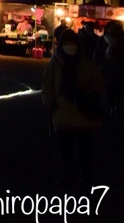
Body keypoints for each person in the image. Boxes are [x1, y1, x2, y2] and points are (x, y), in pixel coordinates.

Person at [42, 29, 103, 186]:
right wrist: (49, 100)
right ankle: (69, 175)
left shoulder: (86, 63)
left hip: (83, 112)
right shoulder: (55, 63)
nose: (70, 46)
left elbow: (98, 83)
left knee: (85, 149)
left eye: (73, 43)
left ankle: (86, 177)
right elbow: (48, 84)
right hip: (62, 112)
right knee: (66, 149)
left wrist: (87, 88)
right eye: (67, 43)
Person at [95, 20, 123, 116]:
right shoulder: (103, 40)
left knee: (118, 89)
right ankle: (112, 105)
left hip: (119, 70)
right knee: (109, 89)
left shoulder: (121, 41)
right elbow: (97, 54)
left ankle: (117, 106)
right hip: (107, 70)